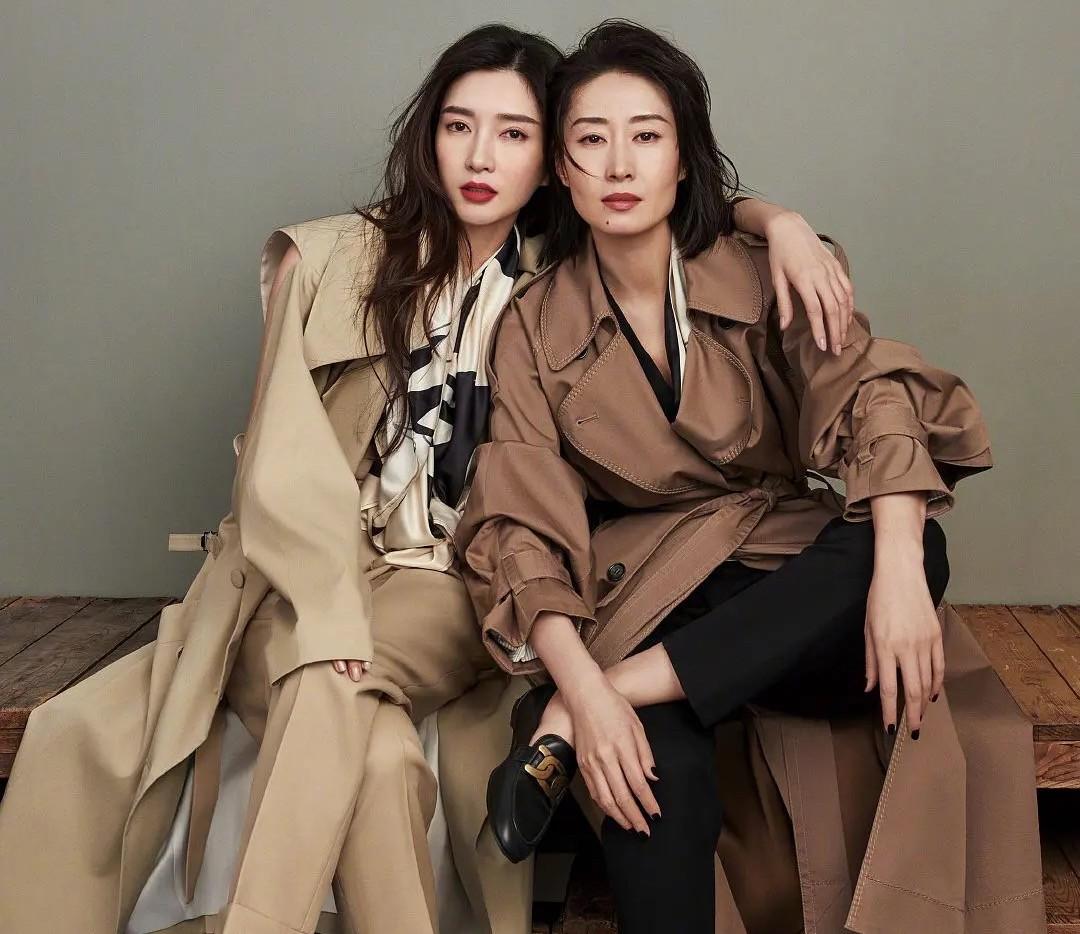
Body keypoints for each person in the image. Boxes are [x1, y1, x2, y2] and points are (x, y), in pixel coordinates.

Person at [0, 22, 853, 934]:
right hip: (301, 573)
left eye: (515, 133)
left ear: (552, 163)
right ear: (428, 136)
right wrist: (329, 604)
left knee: (331, 679)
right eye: (458, 125)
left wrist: (780, 222)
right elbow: (280, 464)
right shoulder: (331, 260)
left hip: (453, 579)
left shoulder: (565, 282)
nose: (481, 157)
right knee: (374, 758)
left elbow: (665, 193)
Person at [457, 19, 1046, 934]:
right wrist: (579, 676)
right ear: (562, 169)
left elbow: (871, 397)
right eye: (591, 140)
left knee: (909, 541)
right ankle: (620, 701)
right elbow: (519, 523)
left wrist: (898, 572)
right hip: (652, 590)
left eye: (647, 136)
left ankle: (593, 707)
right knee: (651, 773)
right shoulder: (533, 323)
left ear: (684, 159)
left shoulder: (767, 270)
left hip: (787, 588)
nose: (620, 166)